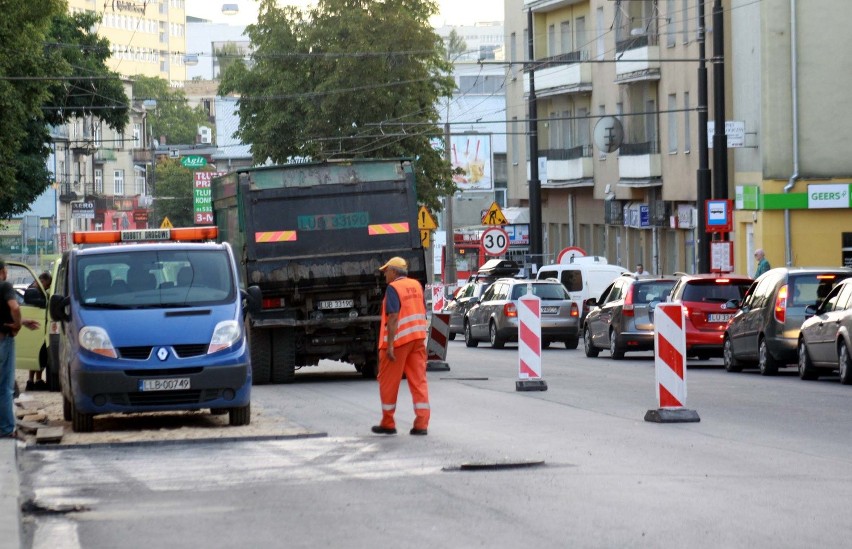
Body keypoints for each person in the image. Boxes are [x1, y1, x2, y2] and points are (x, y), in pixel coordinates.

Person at [372, 257, 430, 436]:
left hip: (399, 342)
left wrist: (389, 345)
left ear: (394, 272)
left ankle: (388, 422)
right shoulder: (416, 285)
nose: (384, 275)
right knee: (418, 381)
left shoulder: (393, 288)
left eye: (386, 271)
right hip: (418, 339)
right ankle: (422, 423)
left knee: (388, 382)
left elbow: (393, 316)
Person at [1, 259, 41, 438]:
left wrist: (22, 322)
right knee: (5, 387)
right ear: (2, 271)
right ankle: (7, 429)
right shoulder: (5, 287)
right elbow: (14, 307)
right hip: (3, 341)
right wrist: (17, 324)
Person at [25, 272, 52, 391]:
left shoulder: (32, 289)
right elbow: (43, 304)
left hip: (34, 325)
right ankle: (37, 380)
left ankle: (32, 381)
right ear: (43, 281)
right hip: (36, 325)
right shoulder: (33, 291)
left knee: (36, 354)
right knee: (40, 354)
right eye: (47, 285)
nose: (47, 287)